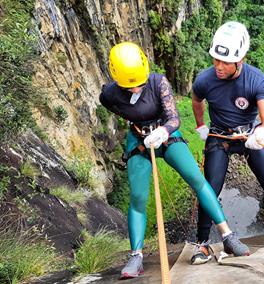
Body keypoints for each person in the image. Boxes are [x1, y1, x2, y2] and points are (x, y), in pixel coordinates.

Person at [99, 42, 249, 279]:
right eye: (131, 86)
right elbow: (110, 104)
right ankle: (136, 256)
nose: (136, 88)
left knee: (197, 180)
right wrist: (137, 126)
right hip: (139, 140)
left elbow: (174, 117)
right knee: (138, 197)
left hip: (167, 135)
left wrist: (162, 132)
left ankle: (228, 236)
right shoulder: (110, 94)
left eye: (139, 83)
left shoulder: (158, 83)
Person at [191, 21, 264, 263]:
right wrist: (200, 125)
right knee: (210, 189)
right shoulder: (205, 79)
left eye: (225, 62)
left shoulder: (257, 81)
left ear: (240, 59)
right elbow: (197, 99)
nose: (218, 66)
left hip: (248, 136)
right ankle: (202, 243)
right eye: (215, 60)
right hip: (220, 137)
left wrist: (262, 133)